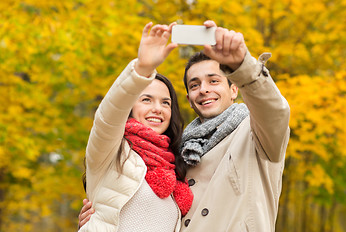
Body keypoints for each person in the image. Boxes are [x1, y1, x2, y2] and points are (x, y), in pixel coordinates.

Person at [79, 20, 290, 232]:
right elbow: (107, 119)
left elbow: (274, 113)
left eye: (214, 81)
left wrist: (243, 66)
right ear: (189, 99)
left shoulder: (255, 132)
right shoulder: (181, 155)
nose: (204, 89)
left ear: (234, 89)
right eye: (195, 84)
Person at [78, 22, 193, 232]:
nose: (157, 109)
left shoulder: (176, 166)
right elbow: (108, 116)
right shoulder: (111, 151)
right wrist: (142, 69)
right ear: (129, 107)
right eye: (146, 100)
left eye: (165, 102)